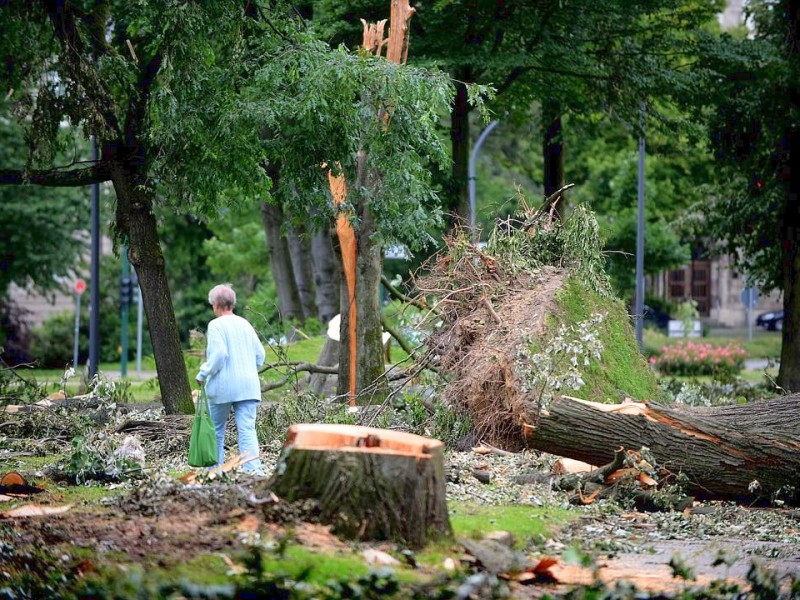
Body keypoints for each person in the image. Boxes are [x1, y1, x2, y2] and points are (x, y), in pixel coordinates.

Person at [196, 284, 267, 476]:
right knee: (247, 429)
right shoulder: (245, 324)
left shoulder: (216, 325)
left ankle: (214, 471)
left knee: (216, 431)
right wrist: (248, 370)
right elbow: (261, 355)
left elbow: (219, 355)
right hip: (248, 386)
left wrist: (202, 374)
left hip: (223, 387)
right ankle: (253, 472)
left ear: (216, 305)